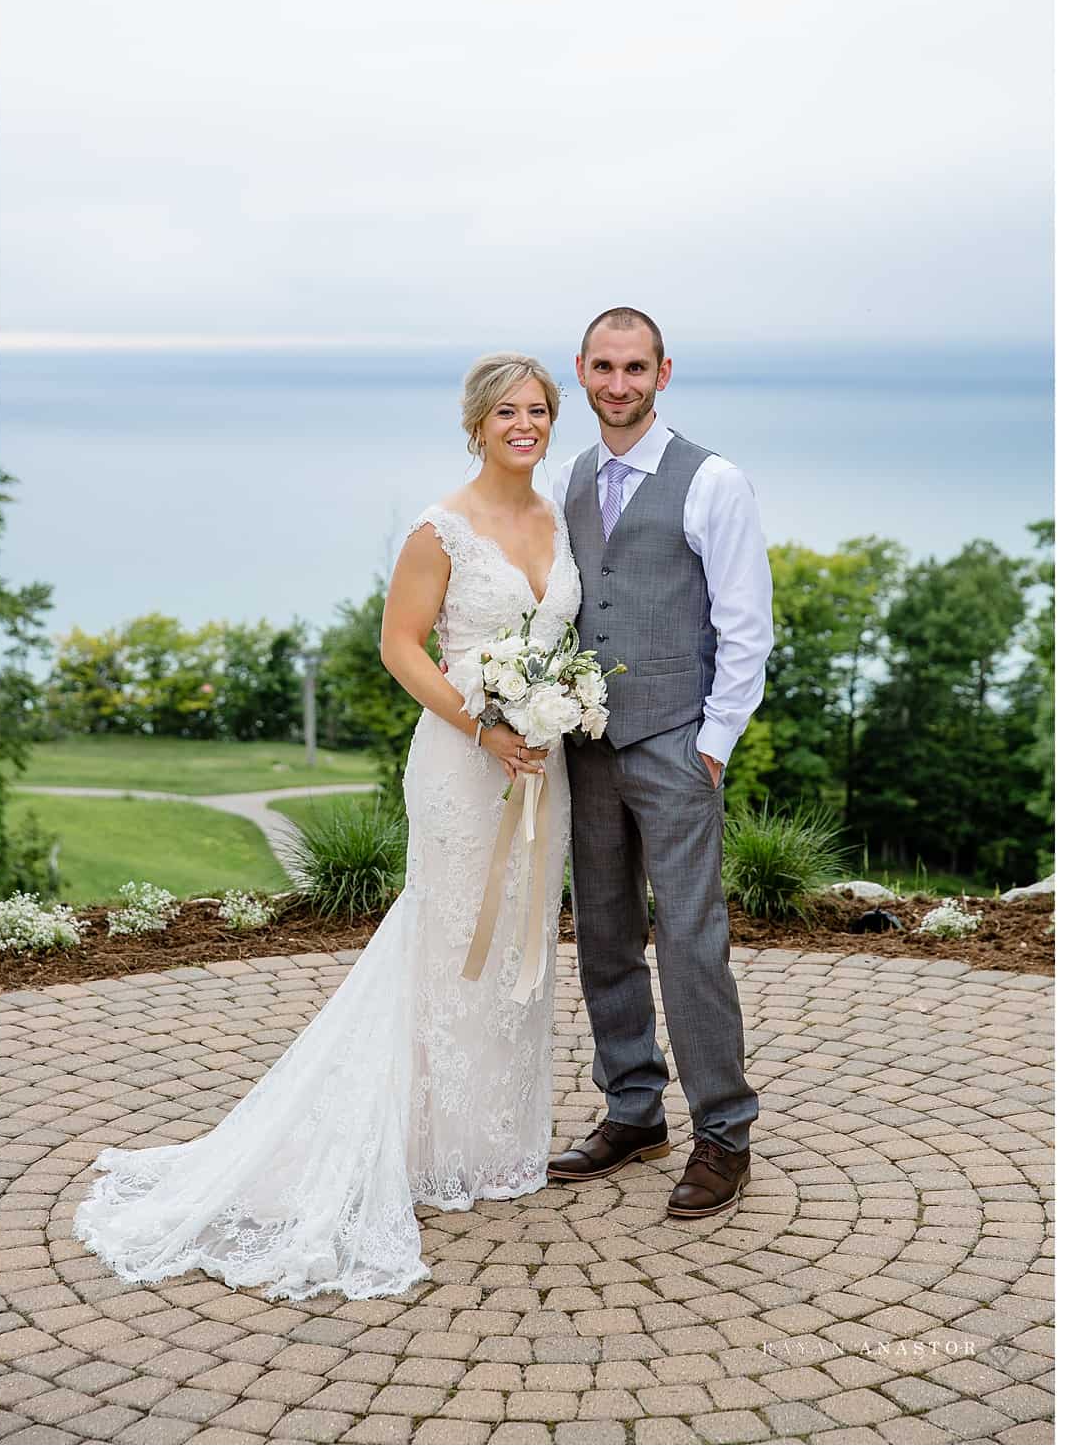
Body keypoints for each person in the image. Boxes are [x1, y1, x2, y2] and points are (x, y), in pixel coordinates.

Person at [72, 352, 579, 1301]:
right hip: (463, 764)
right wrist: (486, 725)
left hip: (543, 773)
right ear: (476, 423)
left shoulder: (561, 519)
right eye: (508, 411)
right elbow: (399, 646)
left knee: (519, 938)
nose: (526, 425)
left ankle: (490, 1146)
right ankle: (413, 1146)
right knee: (446, 939)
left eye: (540, 411)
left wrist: (553, 715)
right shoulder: (441, 529)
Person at [547, 306, 774, 1217]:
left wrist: (712, 747)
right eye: (603, 366)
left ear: (663, 373)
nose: (618, 382)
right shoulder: (572, 474)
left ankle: (724, 1132)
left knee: (689, 943)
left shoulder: (713, 479)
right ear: (581, 371)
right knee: (603, 935)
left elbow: (746, 627)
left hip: (679, 743)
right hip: (588, 745)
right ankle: (634, 1109)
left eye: (635, 367)